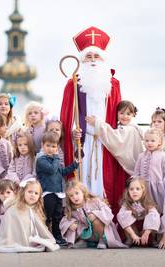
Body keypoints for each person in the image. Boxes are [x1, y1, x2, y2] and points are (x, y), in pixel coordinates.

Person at [60, 26, 127, 215]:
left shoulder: (113, 85)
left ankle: (105, 221)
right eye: (88, 57)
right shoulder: (73, 83)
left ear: (103, 58)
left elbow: (118, 113)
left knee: (104, 179)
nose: (92, 61)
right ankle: (82, 220)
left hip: (105, 140)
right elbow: (67, 114)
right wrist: (74, 130)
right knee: (84, 179)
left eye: (96, 57)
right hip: (83, 141)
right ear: (83, 59)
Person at [0, 178, 60, 252]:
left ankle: (29, 240)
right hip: (14, 237)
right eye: (30, 192)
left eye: (36, 193)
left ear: (39, 196)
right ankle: (20, 241)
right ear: (23, 192)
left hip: (30, 236)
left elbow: (39, 226)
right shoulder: (15, 208)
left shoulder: (35, 208)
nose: (32, 195)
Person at [36, 132, 79, 246]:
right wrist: (56, 156)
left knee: (57, 216)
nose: (51, 149)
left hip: (58, 193)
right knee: (47, 215)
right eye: (48, 145)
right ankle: (44, 235)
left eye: (54, 146)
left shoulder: (55, 160)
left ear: (57, 147)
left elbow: (62, 172)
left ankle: (57, 236)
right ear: (43, 145)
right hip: (48, 192)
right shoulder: (41, 160)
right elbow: (52, 170)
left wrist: (74, 165)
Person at [59, 181, 126, 249]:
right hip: (87, 235)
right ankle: (84, 241)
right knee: (72, 224)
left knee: (96, 220)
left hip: (100, 232)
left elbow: (108, 212)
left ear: (83, 192)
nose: (75, 197)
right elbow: (65, 220)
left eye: (77, 193)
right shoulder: (72, 209)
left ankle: (102, 240)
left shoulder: (94, 201)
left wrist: (96, 214)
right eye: (71, 195)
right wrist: (70, 224)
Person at [85, 100, 144, 176]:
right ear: (117, 114)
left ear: (133, 115)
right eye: (121, 113)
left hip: (132, 167)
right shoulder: (127, 127)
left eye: (128, 114)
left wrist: (97, 123)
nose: (125, 116)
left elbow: (114, 138)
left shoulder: (131, 129)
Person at [133, 128, 165, 212]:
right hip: (143, 187)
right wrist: (135, 184)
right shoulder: (141, 156)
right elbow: (136, 172)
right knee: (145, 208)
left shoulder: (163, 156)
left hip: (158, 188)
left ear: (159, 142)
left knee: (159, 208)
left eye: (152, 140)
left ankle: (160, 222)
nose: (149, 143)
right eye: (146, 140)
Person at [116, 177, 160, 247]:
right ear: (128, 191)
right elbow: (121, 217)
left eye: (137, 189)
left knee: (153, 215)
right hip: (133, 230)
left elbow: (154, 216)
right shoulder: (126, 204)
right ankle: (130, 239)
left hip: (145, 230)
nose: (134, 191)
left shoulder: (147, 203)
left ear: (143, 190)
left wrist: (146, 232)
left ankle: (152, 239)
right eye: (131, 189)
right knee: (123, 215)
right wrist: (133, 234)